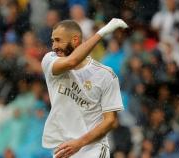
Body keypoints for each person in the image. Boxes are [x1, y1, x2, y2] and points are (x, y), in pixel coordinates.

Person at [41, 18, 128, 158]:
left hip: (93, 149)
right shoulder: (49, 60)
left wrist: (79, 143)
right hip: (64, 150)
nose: (54, 46)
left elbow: (110, 121)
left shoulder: (106, 75)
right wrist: (103, 32)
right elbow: (72, 61)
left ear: (75, 40)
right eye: (52, 41)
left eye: (58, 40)